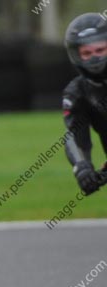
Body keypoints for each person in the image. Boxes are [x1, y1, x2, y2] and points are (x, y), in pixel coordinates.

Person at [63, 13, 107, 195]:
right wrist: (82, 167)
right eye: (87, 53)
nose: (95, 58)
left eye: (100, 50)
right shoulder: (77, 93)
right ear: (77, 56)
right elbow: (74, 135)